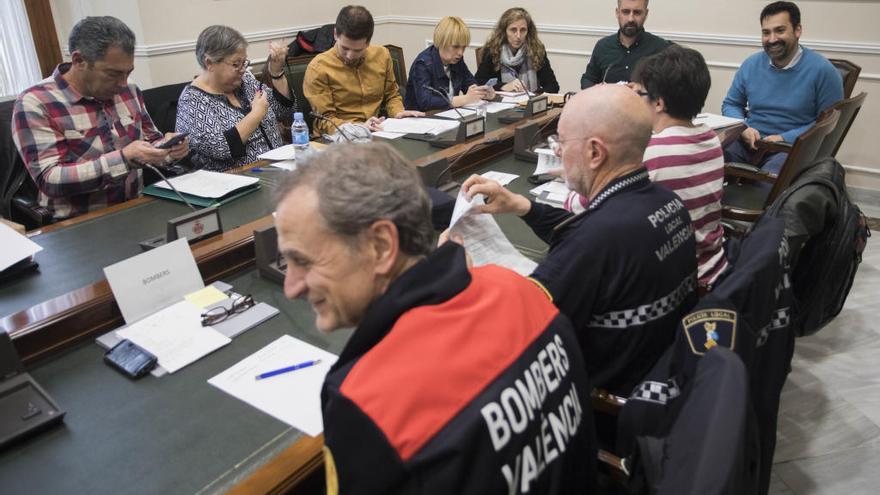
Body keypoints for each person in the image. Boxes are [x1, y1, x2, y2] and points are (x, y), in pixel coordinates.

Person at [275, 142, 596, 494]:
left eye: (303, 260)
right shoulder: (522, 292)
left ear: (381, 246)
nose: (291, 286)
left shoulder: (366, 400)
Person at [460, 85, 698, 396]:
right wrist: (523, 206)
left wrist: (459, 277)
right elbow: (594, 232)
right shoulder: (666, 202)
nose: (556, 151)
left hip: (598, 400)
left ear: (595, 153)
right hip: (659, 370)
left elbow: (513, 325)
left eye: (560, 141)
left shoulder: (595, 243)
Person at [568, 45, 729, 289]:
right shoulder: (710, 138)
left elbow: (585, 207)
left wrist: (571, 179)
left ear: (658, 104)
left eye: (640, 94)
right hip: (714, 263)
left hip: (677, 280)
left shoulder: (652, 152)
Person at [11, 16, 188, 221]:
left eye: (128, 72)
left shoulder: (129, 90)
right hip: (76, 223)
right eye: (113, 74)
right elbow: (50, 179)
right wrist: (123, 159)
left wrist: (169, 150)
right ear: (79, 61)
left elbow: (151, 141)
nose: (123, 83)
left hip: (136, 209)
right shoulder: (36, 103)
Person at [722, 1, 843, 174]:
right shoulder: (750, 64)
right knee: (705, 163)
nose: (772, 39)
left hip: (790, 148)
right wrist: (743, 128)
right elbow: (731, 104)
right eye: (766, 32)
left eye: (780, 30)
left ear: (797, 30)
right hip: (747, 142)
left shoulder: (824, 71)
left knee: (768, 189)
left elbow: (828, 123)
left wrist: (784, 138)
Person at [176, 25, 295, 172]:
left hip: (279, 168)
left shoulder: (245, 81)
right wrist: (256, 114)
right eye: (236, 64)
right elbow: (221, 148)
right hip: (236, 182)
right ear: (209, 63)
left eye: (244, 63)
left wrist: (276, 72)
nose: (243, 69)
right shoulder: (192, 101)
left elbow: (286, 111)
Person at [303, 5, 422, 137]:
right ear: (335, 34)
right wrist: (359, 127)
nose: (350, 55)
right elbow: (324, 121)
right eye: (345, 48)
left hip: (375, 133)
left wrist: (398, 113)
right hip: (337, 139)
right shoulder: (318, 68)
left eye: (358, 50)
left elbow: (392, 95)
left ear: (368, 42)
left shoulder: (382, 55)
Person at [404, 16, 495, 112]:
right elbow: (426, 102)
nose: (460, 52)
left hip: (448, 116)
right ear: (442, 41)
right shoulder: (423, 63)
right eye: (455, 46)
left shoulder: (457, 60)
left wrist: (483, 92)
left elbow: (469, 83)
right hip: (421, 120)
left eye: (463, 47)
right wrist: (464, 99)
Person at [580, 0, 669, 89]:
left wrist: (643, 90)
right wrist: (597, 89)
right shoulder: (602, 46)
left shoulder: (661, 48)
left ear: (646, 14)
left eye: (637, 12)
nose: (631, 19)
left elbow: (671, 88)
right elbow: (588, 79)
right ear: (617, 13)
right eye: (625, 12)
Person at [475, 8, 560, 94]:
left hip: (529, 103)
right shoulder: (493, 50)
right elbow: (479, 82)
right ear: (504, 31)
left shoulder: (536, 50)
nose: (518, 36)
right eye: (513, 30)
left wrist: (532, 95)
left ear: (528, 32)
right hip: (502, 104)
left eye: (523, 30)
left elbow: (553, 86)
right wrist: (504, 86)